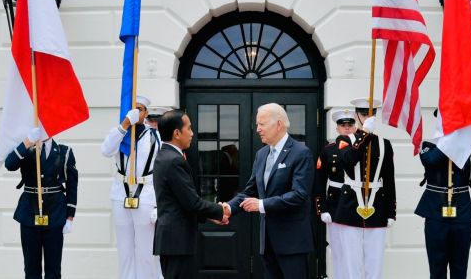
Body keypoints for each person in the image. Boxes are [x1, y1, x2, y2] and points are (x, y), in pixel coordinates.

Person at [226, 103, 314, 279]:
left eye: (262, 124)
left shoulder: (301, 153)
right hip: (267, 244)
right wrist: (228, 208)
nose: (258, 129)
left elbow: (299, 195)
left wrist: (262, 205)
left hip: (292, 244)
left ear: (279, 124)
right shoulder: (261, 154)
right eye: (257, 124)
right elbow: (250, 191)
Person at [152, 109, 229, 279]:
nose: (192, 133)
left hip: (174, 240)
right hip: (177, 241)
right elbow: (191, 202)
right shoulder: (174, 160)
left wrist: (208, 216)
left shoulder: (165, 156)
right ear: (177, 133)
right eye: (189, 128)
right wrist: (220, 210)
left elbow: (182, 201)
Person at [331, 98, 395, 279]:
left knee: (375, 263)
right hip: (350, 206)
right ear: (357, 116)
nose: (368, 117)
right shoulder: (345, 139)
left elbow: (389, 179)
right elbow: (349, 159)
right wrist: (364, 133)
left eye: (372, 114)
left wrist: (391, 211)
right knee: (352, 262)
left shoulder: (385, 144)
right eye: (364, 114)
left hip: (377, 206)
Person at [415, 109, 471, 279]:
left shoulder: (469, 150)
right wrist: (449, 142)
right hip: (435, 214)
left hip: (462, 214)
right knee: (437, 269)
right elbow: (430, 161)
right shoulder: (427, 146)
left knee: (459, 269)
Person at [100, 96, 162, 279]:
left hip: (146, 194)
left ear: (146, 113)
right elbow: (106, 150)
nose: (136, 111)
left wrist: (160, 203)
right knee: (125, 251)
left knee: (146, 251)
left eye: (140, 108)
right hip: (121, 193)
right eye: (132, 108)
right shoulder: (119, 133)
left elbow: (164, 171)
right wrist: (125, 124)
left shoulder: (156, 136)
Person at [5, 128, 78, 279]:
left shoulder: (65, 152)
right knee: (31, 269)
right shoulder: (26, 148)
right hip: (29, 213)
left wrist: (70, 217)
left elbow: (72, 186)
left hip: (55, 213)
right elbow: (9, 164)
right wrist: (27, 142)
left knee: (53, 270)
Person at [314, 108, 357, 279]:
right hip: (336, 203)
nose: (347, 127)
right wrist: (322, 208)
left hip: (358, 202)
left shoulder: (363, 148)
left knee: (356, 249)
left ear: (355, 126)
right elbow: (319, 181)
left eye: (350, 124)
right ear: (337, 127)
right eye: (342, 124)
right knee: (338, 248)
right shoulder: (328, 150)